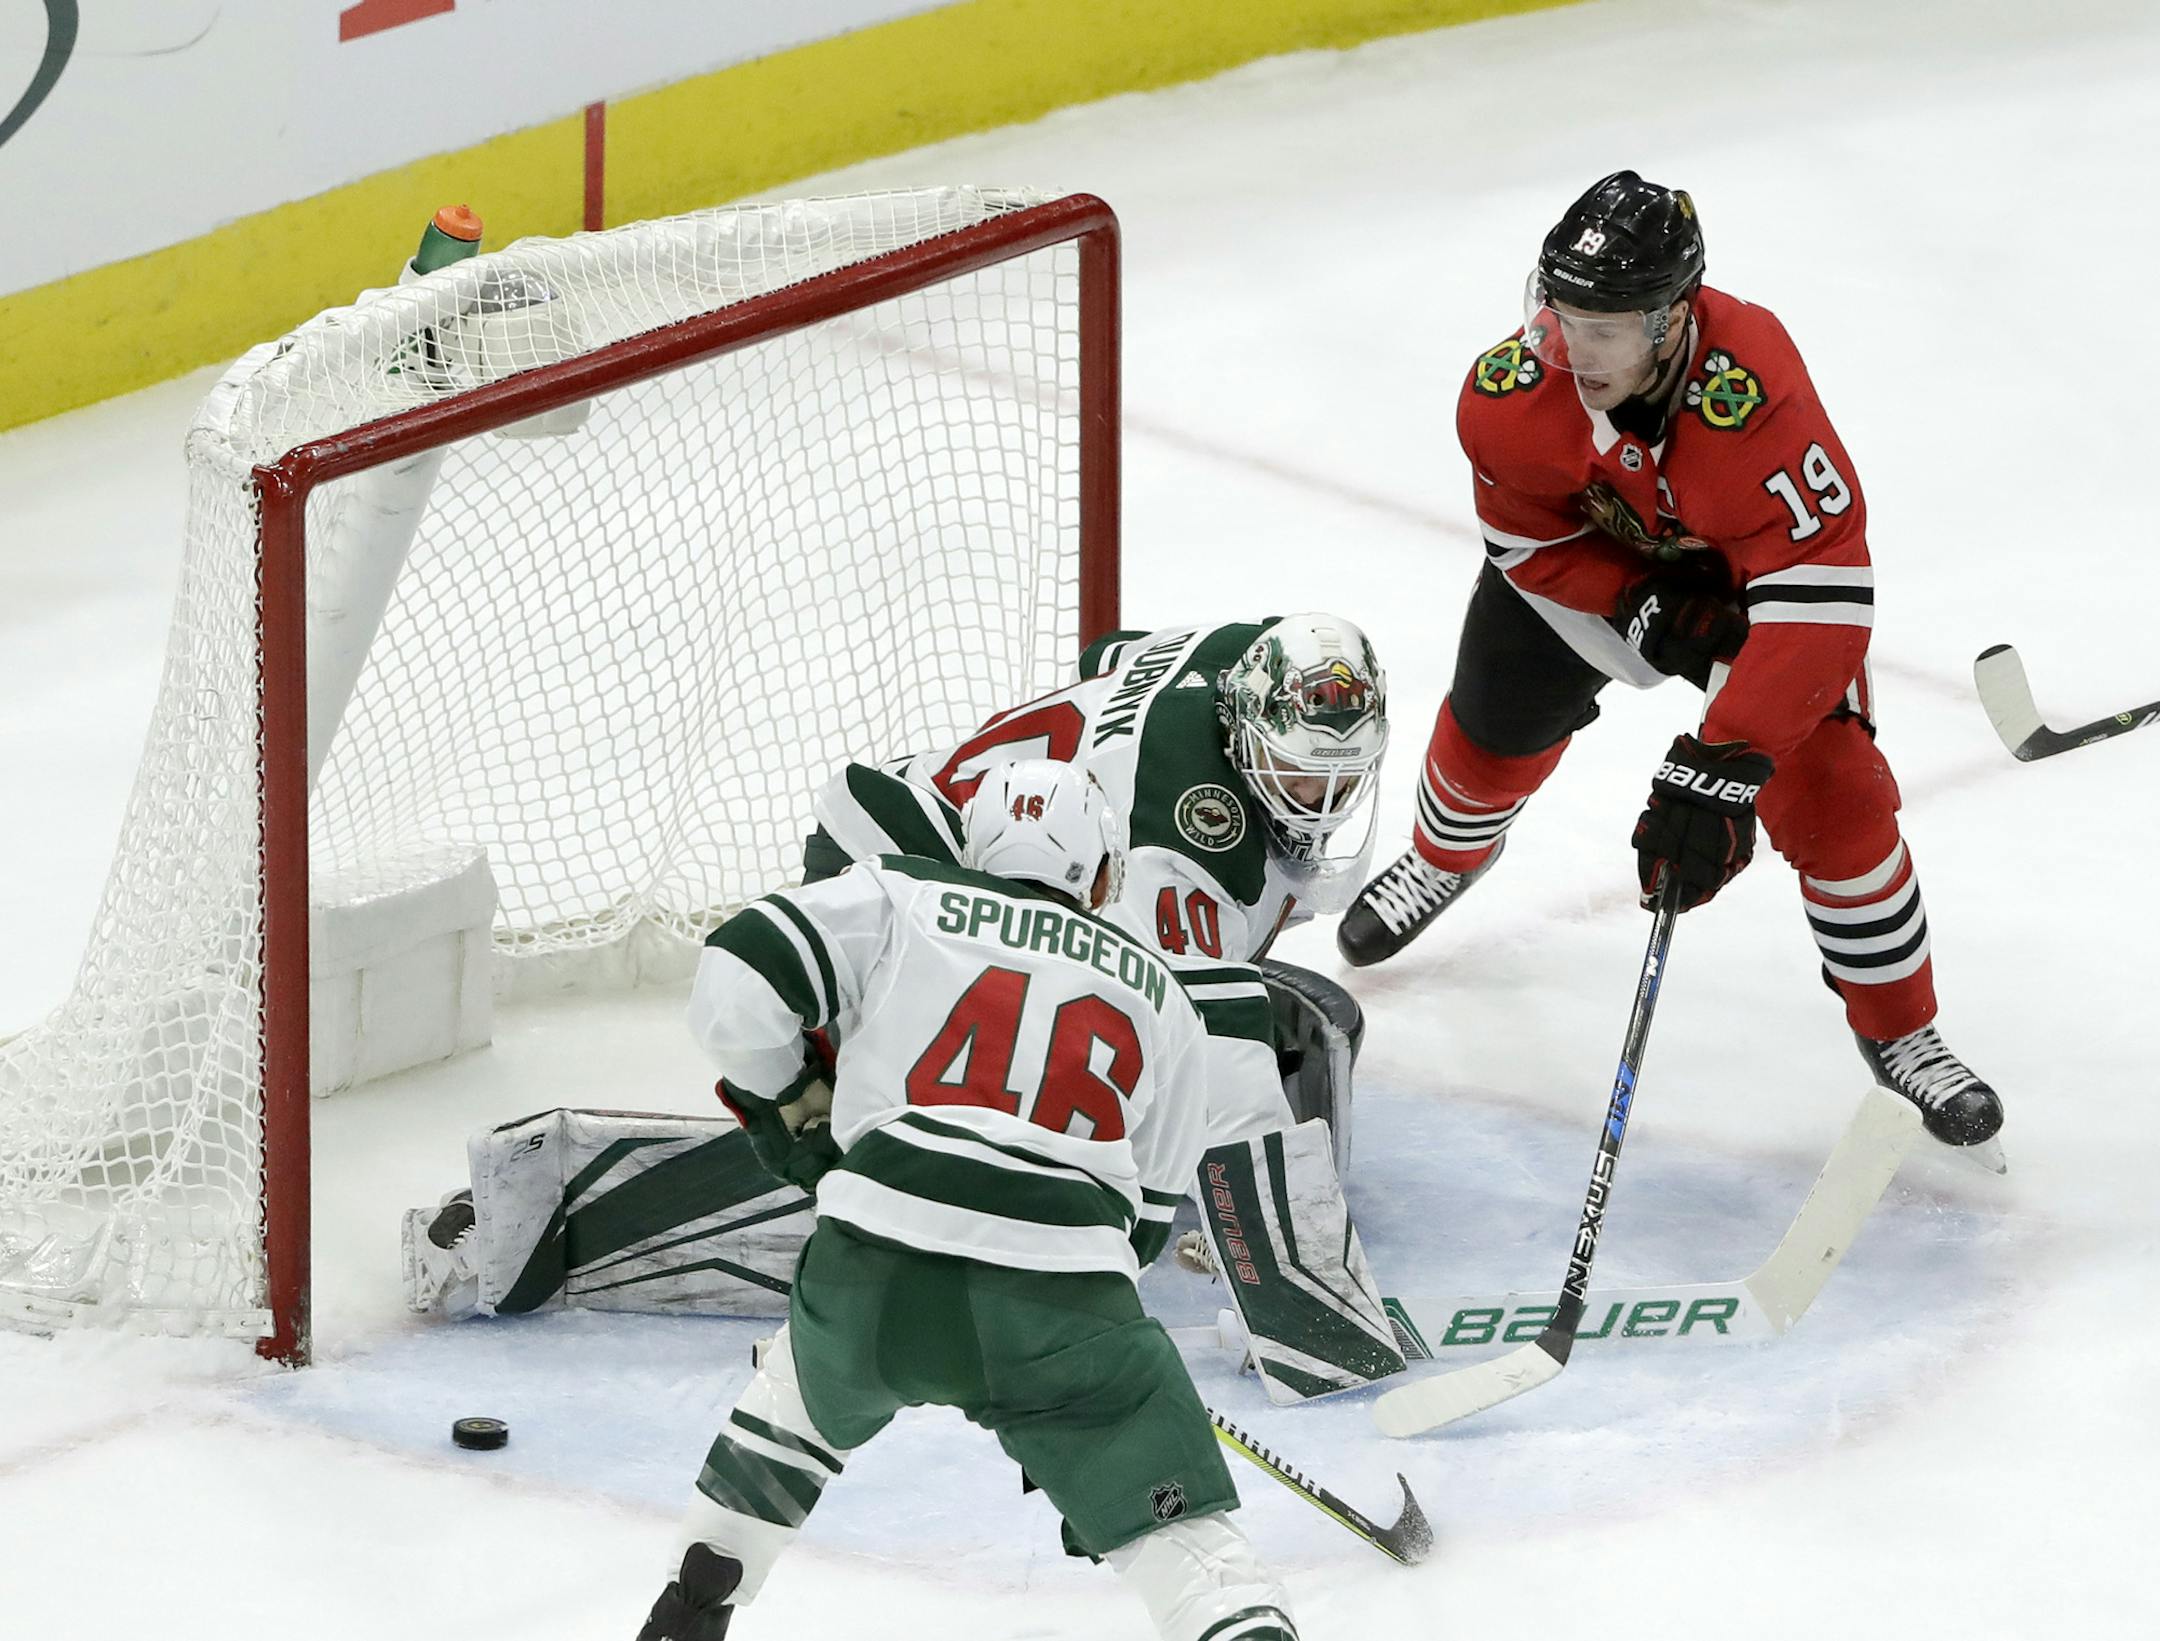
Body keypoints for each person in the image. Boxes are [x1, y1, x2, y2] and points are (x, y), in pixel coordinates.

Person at [405, 615, 1407, 1406]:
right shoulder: (1180, 841)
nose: (1316, 801)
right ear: (1237, 730)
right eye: (1297, 773)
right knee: (992, 1146)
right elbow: (1213, 1039)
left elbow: (1110, 655)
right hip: (908, 886)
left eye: (1338, 779)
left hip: (970, 848)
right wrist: (1298, 1293)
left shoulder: (1239, 653)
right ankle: (552, 1218)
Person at [1335, 170, 2003, 1151]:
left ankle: (1902, 1030)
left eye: (1604, 329)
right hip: (1601, 569)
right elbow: (1527, 541)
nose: (1572, 350)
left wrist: (1722, 763)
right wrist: (1632, 601)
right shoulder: (1510, 397)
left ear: (1672, 320)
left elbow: (1822, 594)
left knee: (1839, 800)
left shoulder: (1754, 399)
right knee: (1492, 727)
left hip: (1751, 602)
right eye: (1561, 315)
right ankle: (1443, 859)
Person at [635, 761, 1298, 1641]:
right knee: (1190, 1552)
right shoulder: (1160, 994)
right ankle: (1230, 1612)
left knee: (794, 1399)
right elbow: (1141, 1226)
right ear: (1104, 875)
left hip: (870, 1269)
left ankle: (703, 1583)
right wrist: (1073, 1394)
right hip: (1058, 1299)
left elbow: (736, 976)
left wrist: (791, 1092)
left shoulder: (900, 893)